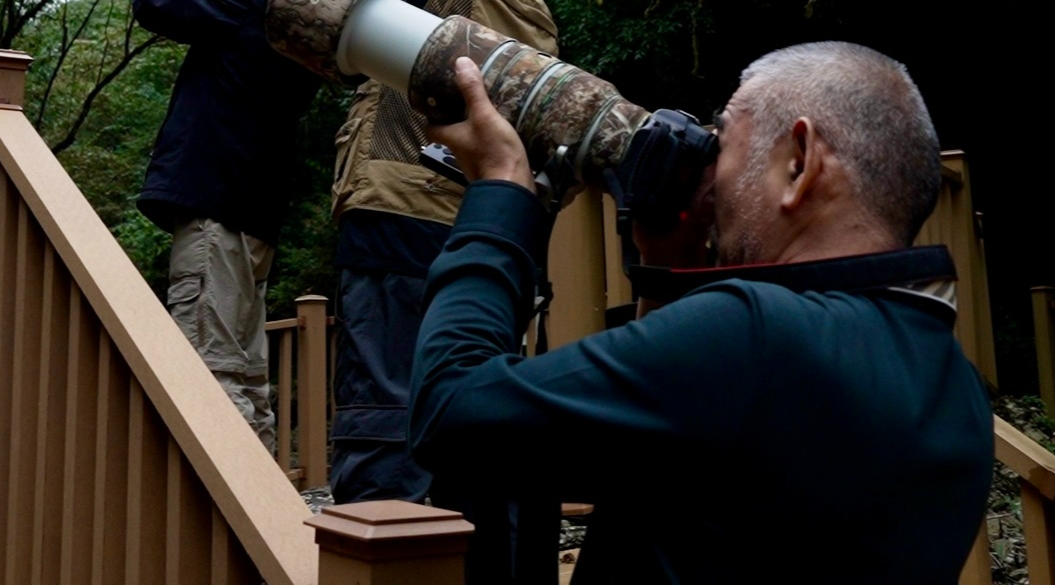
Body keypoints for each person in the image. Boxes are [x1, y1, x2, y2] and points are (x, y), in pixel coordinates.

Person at [411, 41, 994, 584]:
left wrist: (498, 195)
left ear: (799, 162)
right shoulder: (954, 387)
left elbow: (451, 414)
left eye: (724, 141)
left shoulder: (754, 335)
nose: (712, 180)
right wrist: (669, 263)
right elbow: (684, 461)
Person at [261, 0, 562, 575]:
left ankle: (380, 566)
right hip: (486, 234)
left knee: (385, 421)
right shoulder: (536, 14)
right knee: (469, 418)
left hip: (399, 219)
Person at [132, 0, 325, 453]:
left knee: (206, 370)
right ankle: (264, 497)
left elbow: (156, 8)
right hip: (256, 217)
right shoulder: (312, 30)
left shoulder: (254, 1)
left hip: (214, 214)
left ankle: (224, 501)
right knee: (246, 376)